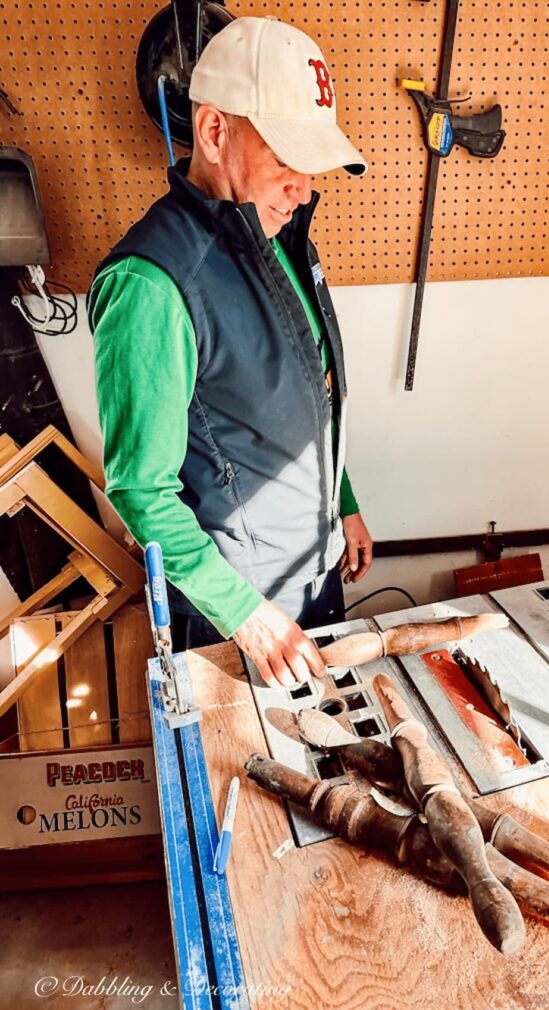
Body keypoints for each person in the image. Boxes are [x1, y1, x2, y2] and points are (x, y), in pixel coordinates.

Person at [88, 16, 373, 688]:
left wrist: (344, 504)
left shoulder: (276, 231)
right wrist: (247, 614)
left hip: (314, 570)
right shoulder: (152, 286)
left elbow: (311, 390)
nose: (304, 187)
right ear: (215, 132)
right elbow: (141, 492)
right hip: (238, 614)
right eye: (285, 158)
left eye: (313, 163)